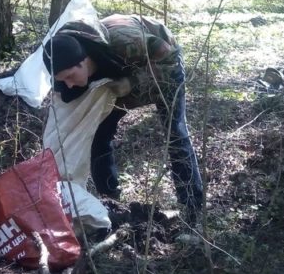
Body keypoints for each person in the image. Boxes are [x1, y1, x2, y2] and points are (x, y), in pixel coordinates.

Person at [42, 15, 204, 224]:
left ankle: (193, 207)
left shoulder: (127, 43)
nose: (69, 84)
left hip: (160, 66)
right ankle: (110, 200)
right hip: (115, 76)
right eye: (63, 80)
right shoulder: (64, 59)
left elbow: (170, 64)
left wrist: (133, 82)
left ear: (84, 61)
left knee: (176, 134)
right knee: (99, 135)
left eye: (70, 76)